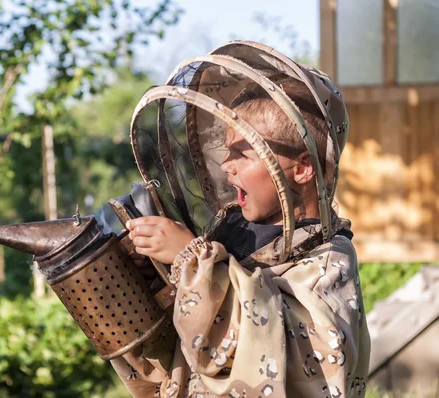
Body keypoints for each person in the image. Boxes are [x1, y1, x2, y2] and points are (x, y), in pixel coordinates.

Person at [110, 41, 371, 397]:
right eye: (225, 151)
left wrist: (193, 260)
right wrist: (150, 282)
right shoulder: (232, 234)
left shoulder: (327, 262)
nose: (225, 165)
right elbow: (183, 351)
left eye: (241, 153)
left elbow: (283, 354)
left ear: (303, 167)